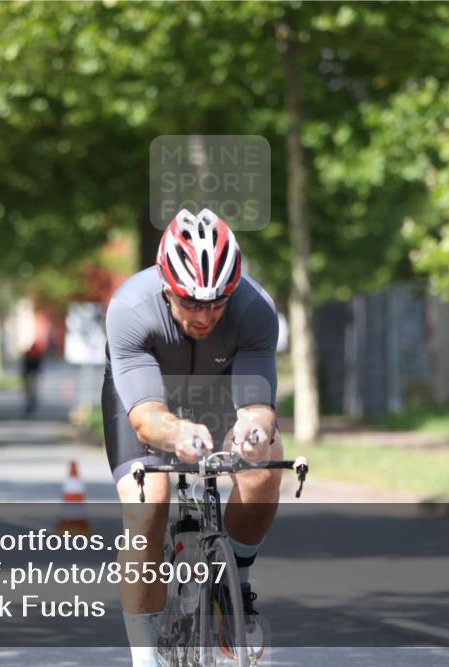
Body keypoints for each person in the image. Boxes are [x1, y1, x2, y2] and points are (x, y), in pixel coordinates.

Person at [102, 209, 283, 666]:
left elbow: (257, 406)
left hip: (218, 391)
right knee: (150, 503)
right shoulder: (130, 308)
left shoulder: (255, 309)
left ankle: (237, 586)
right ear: (167, 289)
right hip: (147, 399)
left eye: (217, 303)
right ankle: (146, 657)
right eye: (190, 303)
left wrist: (253, 432)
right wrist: (178, 432)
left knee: (266, 459)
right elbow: (145, 419)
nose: (204, 315)